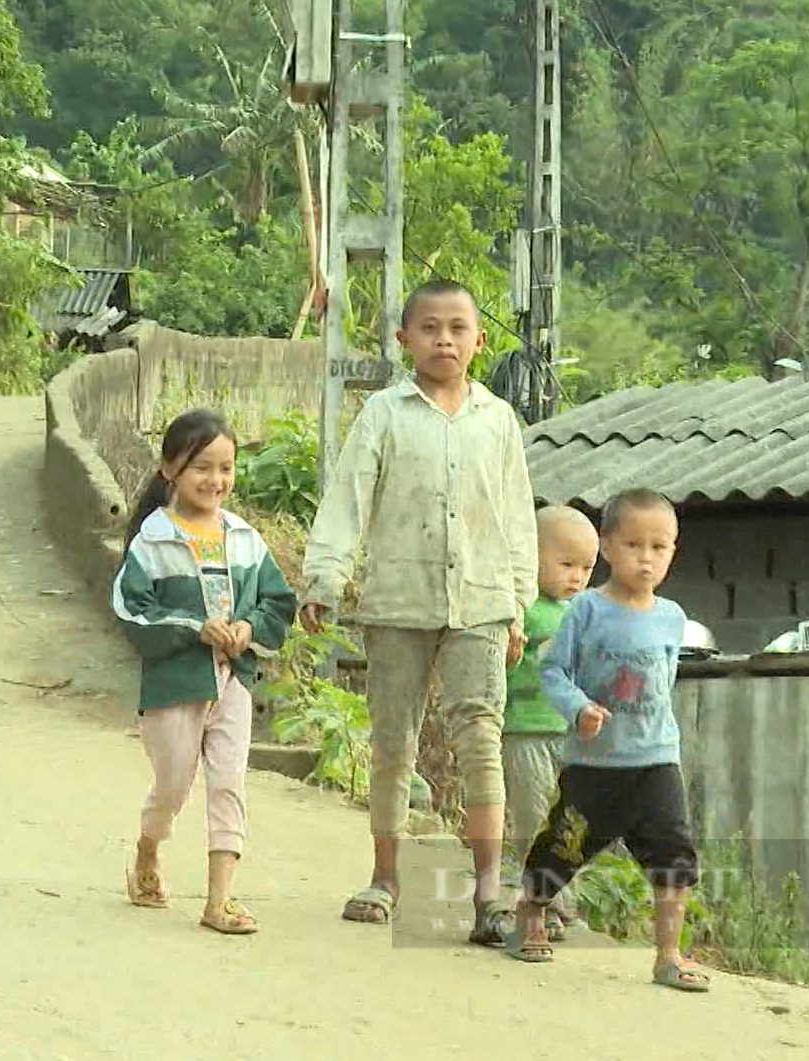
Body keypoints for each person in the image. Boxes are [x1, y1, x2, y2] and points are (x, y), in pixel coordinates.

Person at [299, 278, 540, 945]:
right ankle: (385, 878)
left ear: (478, 341)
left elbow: (516, 516)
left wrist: (517, 604)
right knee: (392, 740)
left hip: (482, 600)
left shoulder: (497, 420)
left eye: (457, 327)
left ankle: (488, 896)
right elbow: (347, 497)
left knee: (478, 737)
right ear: (404, 339)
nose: (444, 339)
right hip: (398, 600)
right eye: (429, 327)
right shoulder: (384, 413)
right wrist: (325, 577)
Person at [509, 488, 710, 992]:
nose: (646, 558)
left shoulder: (672, 617)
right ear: (607, 548)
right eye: (634, 545)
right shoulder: (585, 611)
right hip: (594, 766)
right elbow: (553, 670)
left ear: (673, 550)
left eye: (659, 547)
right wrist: (578, 709)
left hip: (657, 761)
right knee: (562, 848)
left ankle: (667, 955)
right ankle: (530, 910)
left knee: (675, 855)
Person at [111, 408, 298, 935]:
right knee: (173, 787)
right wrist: (195, 627)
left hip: (232, 681)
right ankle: (149, 847)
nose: (216, 481)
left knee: (228, 783)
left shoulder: (245, 540)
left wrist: (247, 627)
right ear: (169, 470)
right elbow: (131, 610)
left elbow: (278, 601)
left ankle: (220, 901)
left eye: (226, 469)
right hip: (176, 687)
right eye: (202, 468)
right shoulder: (152, 541)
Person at [502, 503, 599, 941]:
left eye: (587, 568)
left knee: (569, 818)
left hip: (570, 735)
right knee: (533, 817)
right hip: (524, 729)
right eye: (566, 564)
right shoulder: (520, 608)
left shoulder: (584, 612)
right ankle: (540, 901)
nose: (577, 577)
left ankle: (557, 897)